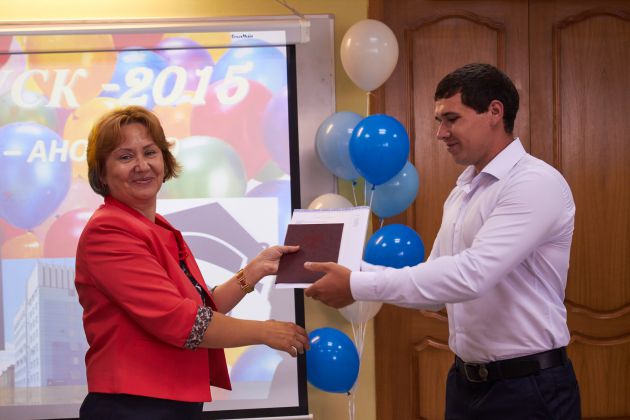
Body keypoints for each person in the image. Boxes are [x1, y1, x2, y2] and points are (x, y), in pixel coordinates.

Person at [304, 63, 581, 419]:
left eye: (451, 119)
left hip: (529, 387)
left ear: (494, 112)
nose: (440, 133)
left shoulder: (534, 183)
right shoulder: (464, 190)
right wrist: (346, 269)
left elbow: (472, 275)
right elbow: (436, 279)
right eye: (439, 120)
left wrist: (355, 284)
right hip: (466, 383)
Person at [75, 105, 309, 419]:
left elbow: (199, 308)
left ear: (164, 160)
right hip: (133, 407)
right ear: (102, 173)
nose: (142, 166)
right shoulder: (108, 230)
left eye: (150, 152)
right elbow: (181, 321)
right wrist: (265, 332)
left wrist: (253, 272)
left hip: (169, 404)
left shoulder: (159, 228)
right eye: (125, 157)